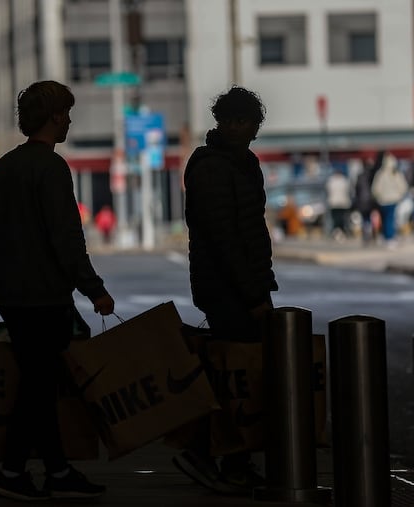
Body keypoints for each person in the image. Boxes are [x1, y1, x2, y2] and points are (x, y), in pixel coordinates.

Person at [0, 80, 115, 501]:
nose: (70, 121)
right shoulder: (51, 168)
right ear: (55, 117)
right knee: (38, 385)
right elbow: (65, 237)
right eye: (67, 114)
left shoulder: (2, 168)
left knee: (38, 382)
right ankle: (12, 472)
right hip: (42, 294)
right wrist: (94, 289)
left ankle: (55, 471)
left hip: (9, 292)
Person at [177, 86, 277, 495]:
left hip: (244, 283)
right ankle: (208, 454)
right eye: (244, 123)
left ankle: (234, 459)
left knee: (239, 375)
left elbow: (252, 229)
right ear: (228, 122)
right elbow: (225, 238)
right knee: (233, 376)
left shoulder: (243, 162)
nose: (249, 132)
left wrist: (261, 283)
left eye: (252, 126)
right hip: (226, 287)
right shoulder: (211, 168)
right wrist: (254, 296)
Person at [371, 151, 409, 247]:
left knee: (385, 219)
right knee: (390, 219)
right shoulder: (395, 173)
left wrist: (378, 196)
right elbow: (403, 186)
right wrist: (400, 195)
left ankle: (386, 236)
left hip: (383, 200)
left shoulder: (380, 173)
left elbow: (375, 188)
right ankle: (390, 237)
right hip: (393, 199)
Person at [325, 167, 352, 240]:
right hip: (343, 203)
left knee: (336, 219)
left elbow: (328, 191)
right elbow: (348, 191)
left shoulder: (331, 181)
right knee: (341, 219)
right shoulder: (345, 180)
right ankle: (340, 232)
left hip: (334, 203)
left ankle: (337, 232)